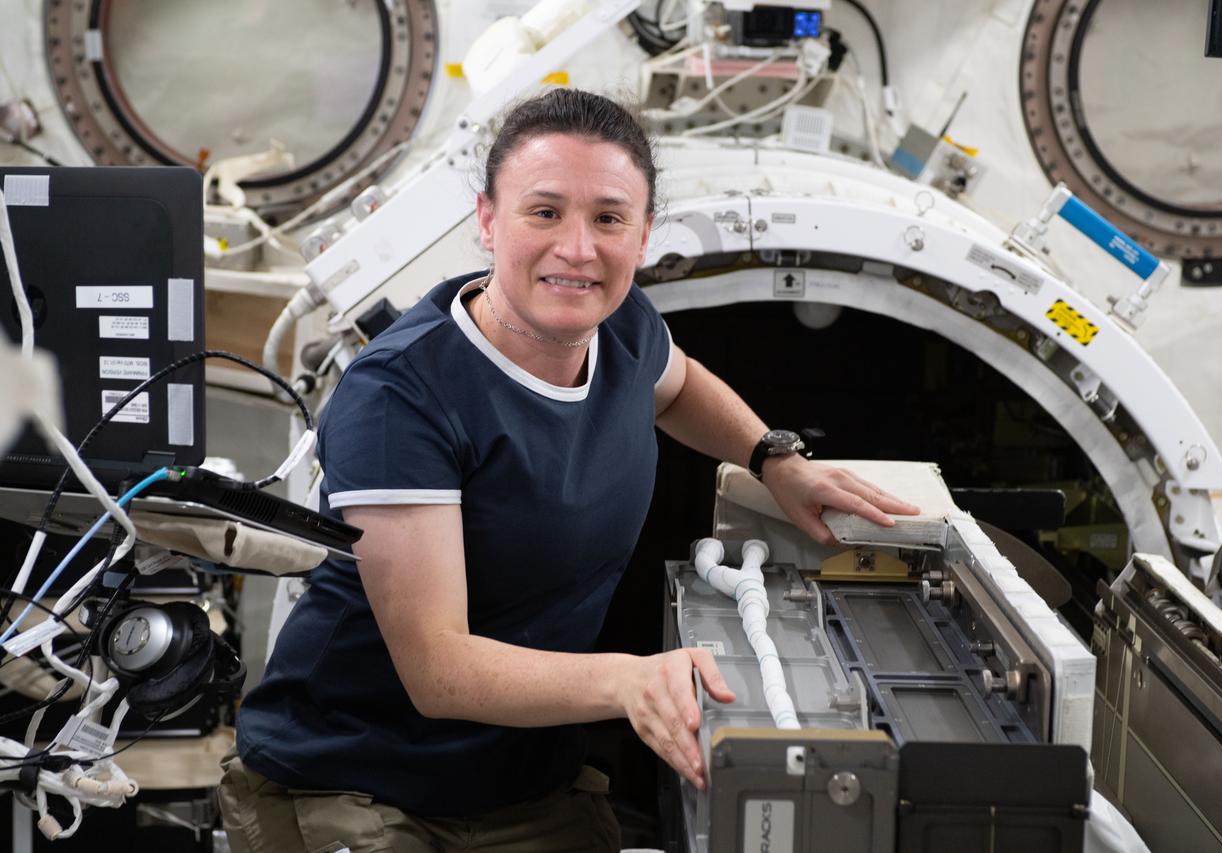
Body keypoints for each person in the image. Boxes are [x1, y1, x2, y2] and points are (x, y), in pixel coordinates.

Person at [218, 88, 917, 853]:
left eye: (609, 217)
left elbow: (677, 385)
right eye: (544, 211)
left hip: (523, 777)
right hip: (357, 779)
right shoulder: (403, 395)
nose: (578, 248)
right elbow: (437, 667)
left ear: (644, 233)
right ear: (488, 220)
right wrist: (626, 681)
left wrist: (773, 458)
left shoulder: (619, 322)